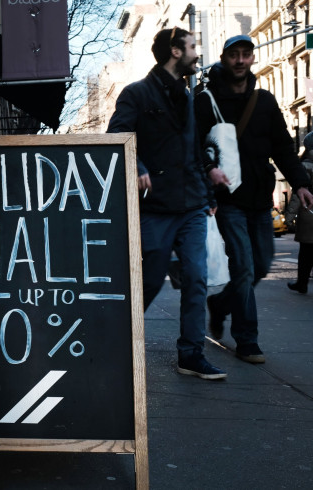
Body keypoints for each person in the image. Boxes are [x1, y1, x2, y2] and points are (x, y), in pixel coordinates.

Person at [108, 28, 225, 380]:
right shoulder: (136, 93)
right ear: (175, 51)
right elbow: (117, 135)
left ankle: (191, 355)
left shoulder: (188, 96)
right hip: (155, 207)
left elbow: (193, 150)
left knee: (196, 278)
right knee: (148, 280)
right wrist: (139, 166)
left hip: (191, 204)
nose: (196, 53)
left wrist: (209, 193)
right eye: (191, 47)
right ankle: (115, 342)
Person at [195, 35, 313, 364]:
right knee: (244, 267)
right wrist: (209, 170)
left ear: (252, 59)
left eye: (246, 55)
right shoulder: (205, 100)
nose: (241, 61)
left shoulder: (264, 101)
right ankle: (247, 340)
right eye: (235, 55)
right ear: (224, 58)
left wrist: (300, 183)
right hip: (228, 198)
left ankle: (220, 305)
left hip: (260, 199)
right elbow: (191, 144)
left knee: (260, 265)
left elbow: (282, 148)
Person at [285, 131, 313, 294]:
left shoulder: (305, 166)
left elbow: (298, 195)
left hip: (309, 213)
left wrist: (288, 217)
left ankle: (301, 283)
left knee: (306, 252)